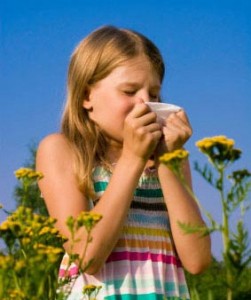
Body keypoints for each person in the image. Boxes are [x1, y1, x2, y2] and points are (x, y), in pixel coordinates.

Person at [36, 25, 211, 300]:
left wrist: (168, 161)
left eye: (153, 93)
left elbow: (197, 260)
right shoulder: (61, 151)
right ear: (86, 96)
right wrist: (133, 158)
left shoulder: (169, 159)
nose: (145, 103)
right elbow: (87, 256)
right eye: (129, 91)